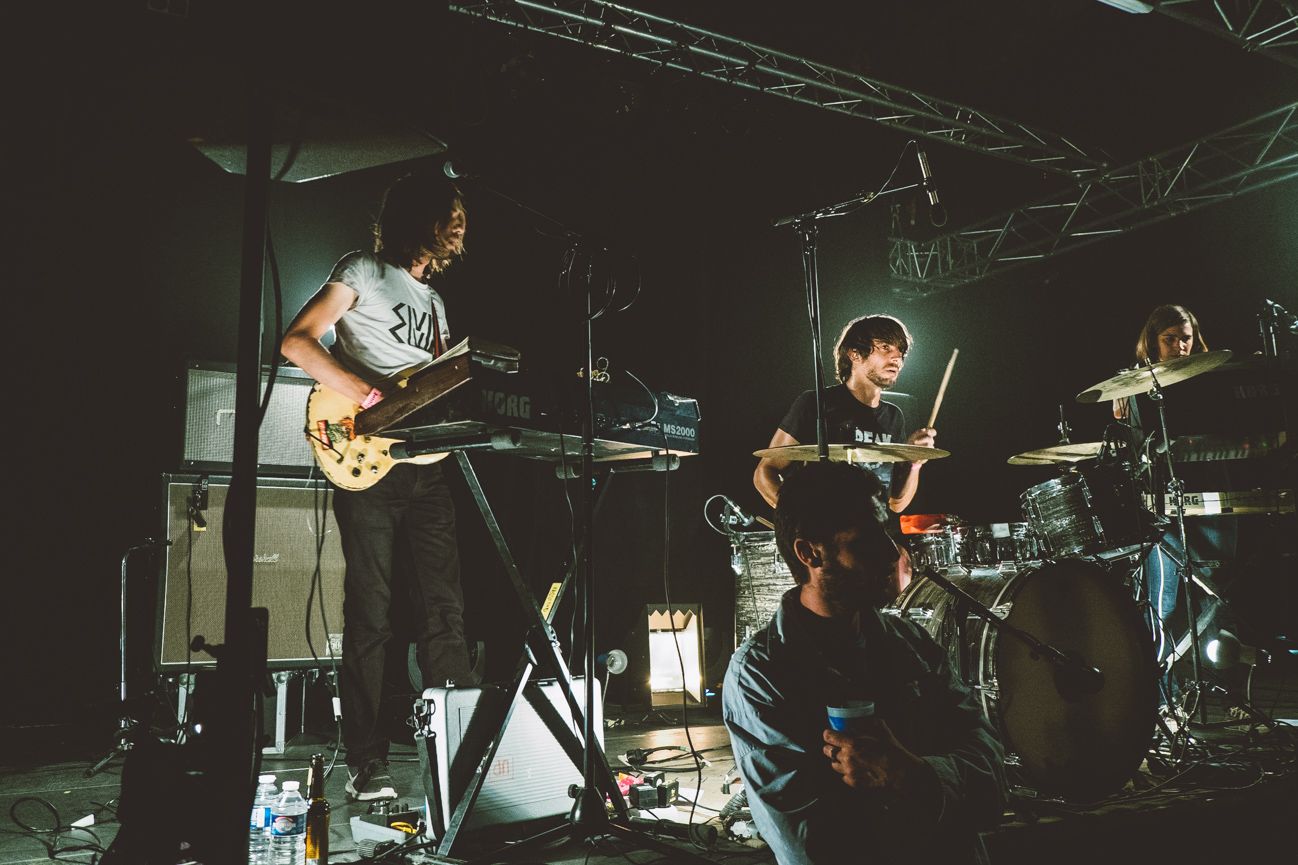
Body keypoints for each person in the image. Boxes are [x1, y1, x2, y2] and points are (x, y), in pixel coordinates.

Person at [281, 172, 474, 801]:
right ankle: (366, 761)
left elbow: (431, 383)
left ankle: (461, 751)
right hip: (366, 457)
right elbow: (296, 342)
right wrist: (367, 396)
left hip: (428, 465)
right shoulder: (362, 270)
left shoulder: (436, 304)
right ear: (418, 217)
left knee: (445, 612)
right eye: (449, 213)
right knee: (371, 613)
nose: (460, 225)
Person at [723, 461, 1007, 864]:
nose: (892, 554)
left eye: (886, 534)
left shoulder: (913, 644)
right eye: (866, 540)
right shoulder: (760, 676)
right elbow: (810, 844)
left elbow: (993, 782)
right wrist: (937, 794)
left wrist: (908, 774)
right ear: (809, 553)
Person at [753, 314, 936, 515]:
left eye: (901, 350)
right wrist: (799, 518)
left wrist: (914, 463)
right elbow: (765, 472)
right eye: (886, 347)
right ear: (854, 354)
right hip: (825, 528)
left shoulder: (894, 416)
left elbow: (896, 504)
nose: (897, 357)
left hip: (872, 529)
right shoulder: (816, 404)